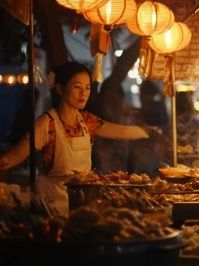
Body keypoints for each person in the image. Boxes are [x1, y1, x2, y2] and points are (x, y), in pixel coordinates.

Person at [0, 61, 151, 216]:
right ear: (60, 88)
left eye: (87, 88)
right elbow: (14, 156)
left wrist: (149, 132)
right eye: (77, 87)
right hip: (50, 206)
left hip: (82, 206)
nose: (83, 93)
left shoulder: (87, 122)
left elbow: (121, 132)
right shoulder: (46, 124)